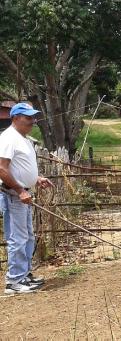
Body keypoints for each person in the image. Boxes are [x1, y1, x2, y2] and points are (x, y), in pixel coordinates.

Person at [0, 102, 53, 294]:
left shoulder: (23, 138)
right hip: (14, 196)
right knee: (18, 238)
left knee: (28, 236)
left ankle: (24, 274)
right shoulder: (8, 138)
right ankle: (14, 281)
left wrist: (36, 179)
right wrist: (20, 190)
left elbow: (18, 167)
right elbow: (2, 168)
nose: (33, 121)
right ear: (15, 118)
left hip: (22, 194)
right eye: (28, 117)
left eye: (33, 117)